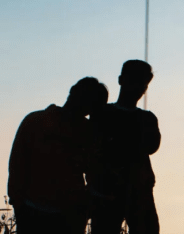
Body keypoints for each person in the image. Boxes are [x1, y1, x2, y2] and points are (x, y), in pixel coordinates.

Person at [7, 77, 108, 234]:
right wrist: (18, 202)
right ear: (72, 92)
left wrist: (84, 207)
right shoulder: (36, 121)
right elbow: (17, 163)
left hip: (70, 214)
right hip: (33, 210)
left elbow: (96, 172)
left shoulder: (89, 132)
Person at [89, 60, 162, 234]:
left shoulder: (147, 118)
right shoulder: (102, 114)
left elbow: (152, 146)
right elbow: (92, 150)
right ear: (121, 80)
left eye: (143, 84)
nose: (140, 88)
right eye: (135, 81)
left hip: (139, 190)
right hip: (107, 191)